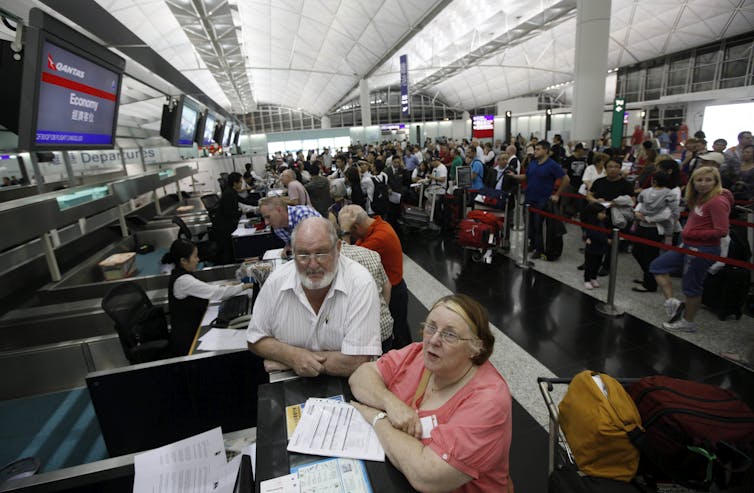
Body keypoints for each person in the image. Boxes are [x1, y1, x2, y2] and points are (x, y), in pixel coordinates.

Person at [349, 294, 512, 493]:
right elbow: (360, 376)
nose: (434, 340)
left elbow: (427, 476)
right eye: (431, 327)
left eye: (450, 335)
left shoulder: (489, 400)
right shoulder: (418, 355)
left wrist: (378, 418)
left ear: (476, 348)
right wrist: (390, 402)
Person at [246, 217, 381, 376]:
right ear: (293, 253)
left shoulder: (360, 283)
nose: (313, 264)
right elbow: (255, 339)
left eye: (321, 253)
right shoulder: (276, 281)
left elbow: (356, 362)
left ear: (338, 248)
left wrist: (291, 361)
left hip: (351, 384)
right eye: (303, 254)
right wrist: (292, 356)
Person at [650, 167, 733, 332]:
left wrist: (693, 233)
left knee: (691, 286)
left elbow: (721, 230)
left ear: (716, 182)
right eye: (699, 180)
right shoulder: (701, 198)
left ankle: (688, 322)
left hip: (702, 249)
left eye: (708, 180)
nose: (703, 184)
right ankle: (672, 303)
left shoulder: (717, 201)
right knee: (658, 266)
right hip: (689, 245)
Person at [338, 204, 411, 349]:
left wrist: (344, 231)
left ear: (356, 228)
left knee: (400, 335)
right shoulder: (378, 226)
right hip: (393, 286)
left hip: (395, 293)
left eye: (351, 233)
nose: (352, 237)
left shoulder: (379, 238)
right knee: (401, 329)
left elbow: (348, 259)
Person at [166, 239, 253, 357]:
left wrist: (224, 286)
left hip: (194, 325)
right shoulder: (182, 281)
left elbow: (202, 288)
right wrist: (244, 286)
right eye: (195, 257)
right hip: (188, 338)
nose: (198, 260)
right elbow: (215, 293)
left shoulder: (181, 274)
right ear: (183, 261)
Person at [507, 140, 570, 258]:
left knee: (538, 226)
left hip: (542, 201)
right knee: (529, 225)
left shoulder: (552, 165)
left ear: (546, 150)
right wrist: (515, 176)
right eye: (535, 149)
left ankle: (539, 249)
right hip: (529, 198)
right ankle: (533, 244)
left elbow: (566, 179)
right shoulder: (533, 163)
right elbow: (527, 176)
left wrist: (557, 194)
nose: (535, 151)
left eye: (538, 149)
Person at [339, 239, 394, 353]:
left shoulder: (330, 264)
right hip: (383, 330)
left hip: (354, 340)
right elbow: (387, 285)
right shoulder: (371, 254)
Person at [631, 171, 681, 293]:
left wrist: (646, 218)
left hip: (655, 228)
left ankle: (649, 283)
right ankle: (649, 276)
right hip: (643, 225)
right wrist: (638, 214)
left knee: (649, 255)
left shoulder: (668, 194)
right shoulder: (647, 191)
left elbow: (667, 214)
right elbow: (640, 203)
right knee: (638, 251)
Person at [581, 202, 609, 290]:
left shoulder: (601, 223)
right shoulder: (591, 224)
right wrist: (606, 240)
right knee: (589, 264)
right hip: (592, 248)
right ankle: (587, 280)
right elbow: (594, 234)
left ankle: (593, 278)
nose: (604, 215)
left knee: (597, 264)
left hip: (600, 248)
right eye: (602, 213)